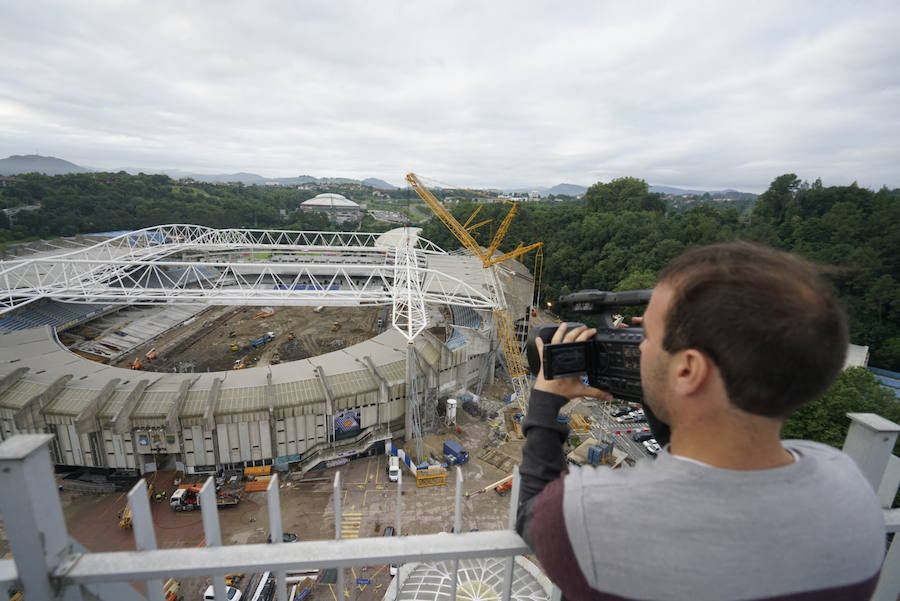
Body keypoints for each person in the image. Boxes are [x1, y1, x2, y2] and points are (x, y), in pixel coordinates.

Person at [516, 242, 885, 601]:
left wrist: (545, 401)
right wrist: (663, 387)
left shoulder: (592, 513)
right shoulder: (848, 486)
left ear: (689, 369)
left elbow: (533, 513)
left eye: (647, 336)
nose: (636, 346)